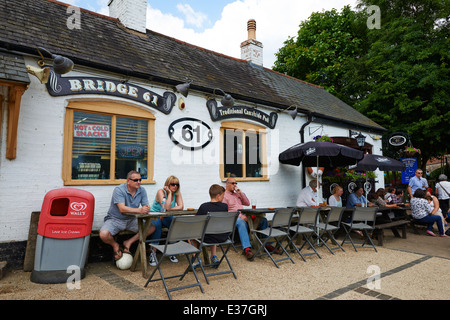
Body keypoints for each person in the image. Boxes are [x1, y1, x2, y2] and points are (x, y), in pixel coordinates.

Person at [99, 170, 152, 261]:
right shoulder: (119, 190)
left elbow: (145, 206)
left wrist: (146, 208)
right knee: (103, 234)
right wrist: (140, 210)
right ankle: (115, 245)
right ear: (128, 181)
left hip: (132, 219)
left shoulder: (142, 190)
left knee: (151, 228)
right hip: (115, 219)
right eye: (135, 180)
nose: (138, 182)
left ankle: (128, 242)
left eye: (140, 180)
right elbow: (122, 209)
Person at [222, 177, 276, 260]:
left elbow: (247, 203)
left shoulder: (238, 194)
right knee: (241, 222)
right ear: (227, 184)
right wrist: (240, 216)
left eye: (236, 183)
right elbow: (225, 211)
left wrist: (241, 193)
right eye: (233, 183)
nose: (235, 185)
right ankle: (247, 249)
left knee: (262, 220)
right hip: (233, 218)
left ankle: (267, 243)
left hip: (244, 215)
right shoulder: (224, 195)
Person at [148, 175, 184, 266]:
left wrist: (170, 210)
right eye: (172, 184)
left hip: (166, 215)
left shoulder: (177, 193)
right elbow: (166, 207)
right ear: (168, 184)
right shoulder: (161, 192)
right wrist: (169, 194)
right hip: (155, 215)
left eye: (177, 184)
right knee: (157, 225)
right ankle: (153, 253)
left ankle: (171, 251)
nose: (175, 186)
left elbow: (181, 206)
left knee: (174, 223)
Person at [194, 184, 229, 268]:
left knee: (191, 233)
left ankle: (196, 258)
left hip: (208, 238)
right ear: (218, 196)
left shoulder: (204, 207)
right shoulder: (225, 207)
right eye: (223, 196)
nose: (223, 198)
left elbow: (196, 223)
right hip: (223, 237)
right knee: (213, 229)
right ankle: (213, 256)